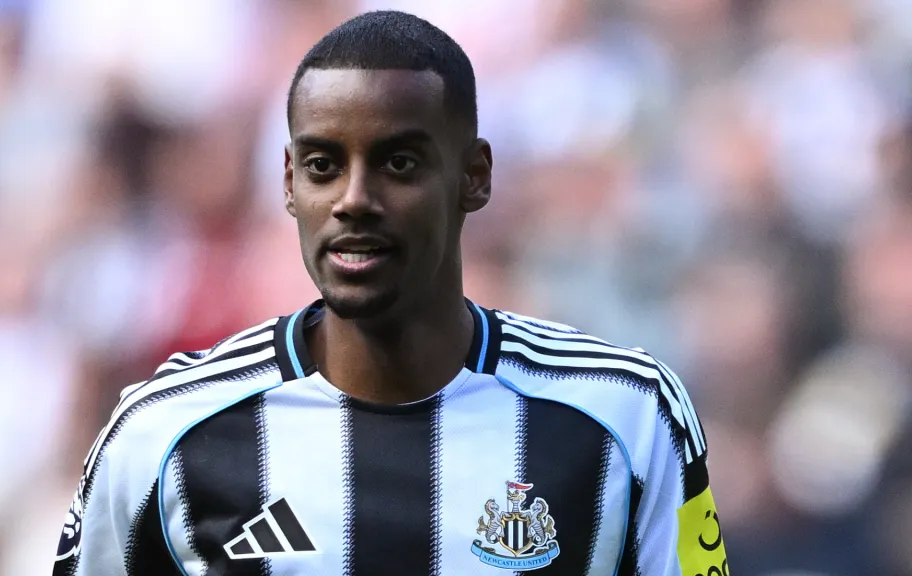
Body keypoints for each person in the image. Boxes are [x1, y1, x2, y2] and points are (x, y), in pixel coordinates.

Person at [52, 10, 728, 576]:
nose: (354, 201)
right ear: (288, 184)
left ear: (475, 177)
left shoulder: (628, 416)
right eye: (323, 167)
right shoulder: (163, 434)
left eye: (398, 163)